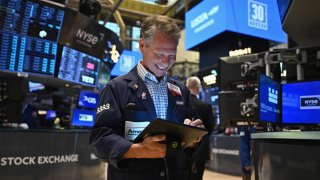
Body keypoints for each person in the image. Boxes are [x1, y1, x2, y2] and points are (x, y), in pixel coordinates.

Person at [89, 15, 204, 180]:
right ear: (142, 45)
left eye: (171, 55)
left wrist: (193, 139)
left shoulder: (181, 90)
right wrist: (138, 150)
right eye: (159, 54)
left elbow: (190, 135)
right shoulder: (116, 88)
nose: (166, 62)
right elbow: (100, 139)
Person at [186, 76, 215, 180]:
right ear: (198, 88)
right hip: (201, 149)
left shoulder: (180, 104)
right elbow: (210, 128)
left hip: (182, 148)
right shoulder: (205, 106)